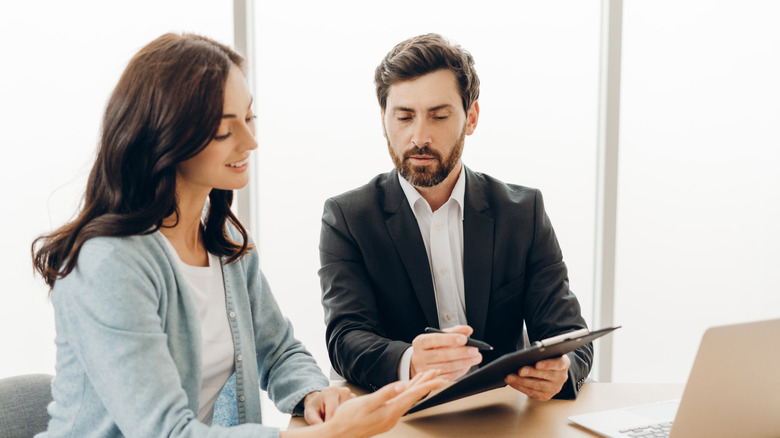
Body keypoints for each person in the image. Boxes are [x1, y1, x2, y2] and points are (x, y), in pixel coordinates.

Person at [31, 33, 442, 438]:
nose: (251, 141)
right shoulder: (107, 264)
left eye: (249, 119)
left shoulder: (221, 237)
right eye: (226, 129)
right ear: (166, 134)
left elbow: (279, 350)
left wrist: (315, 393)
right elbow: (165, 433)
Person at [319, 33, 593, 401]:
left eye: (439, 116)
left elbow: (571, 336)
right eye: (404, 116)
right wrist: (409, 361)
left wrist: (563, 370)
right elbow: (345, 336)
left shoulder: (522, 213)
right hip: (403, 416)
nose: (419, 136)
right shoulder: (347, 218)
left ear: (471, 118)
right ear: (384, 119)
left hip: (501, 416)